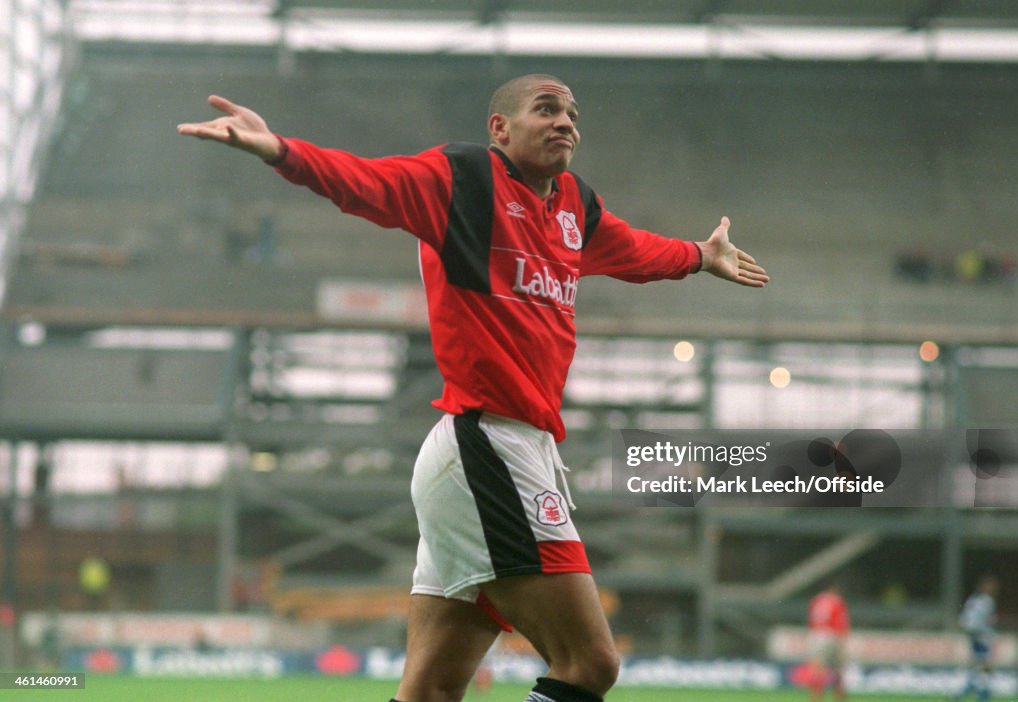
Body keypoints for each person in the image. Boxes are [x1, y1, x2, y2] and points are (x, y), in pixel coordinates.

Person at [178, 73, 769, 702]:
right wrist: (281, 151)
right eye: (546, 110)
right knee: (590, 662)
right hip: (487, 447)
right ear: (500, 129)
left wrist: (698, 256)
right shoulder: (463, 180)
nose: (566, 122)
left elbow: (631, 250)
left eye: (572, 113)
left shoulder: (573, 204)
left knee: (430, 689)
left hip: (489, 454)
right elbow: (369, 184)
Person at [953, 575, 999, 702]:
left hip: (976, 637)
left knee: (979, 667)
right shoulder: (986, 601)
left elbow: (964, 621)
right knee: (984, 666)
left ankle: (967, 690)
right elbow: (977, 622)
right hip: (981, 638)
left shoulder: (972, 600)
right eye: (990, 585)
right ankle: (981, 694)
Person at [806, 582, 849, 702]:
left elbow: (811, 619)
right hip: (832, 635)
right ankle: (839, 698)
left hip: (816, 635)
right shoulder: (837, 600)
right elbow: (841, 622)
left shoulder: (816, 599)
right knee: (838, 670)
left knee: (817, 670)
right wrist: (842, 641)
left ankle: (816, 699)